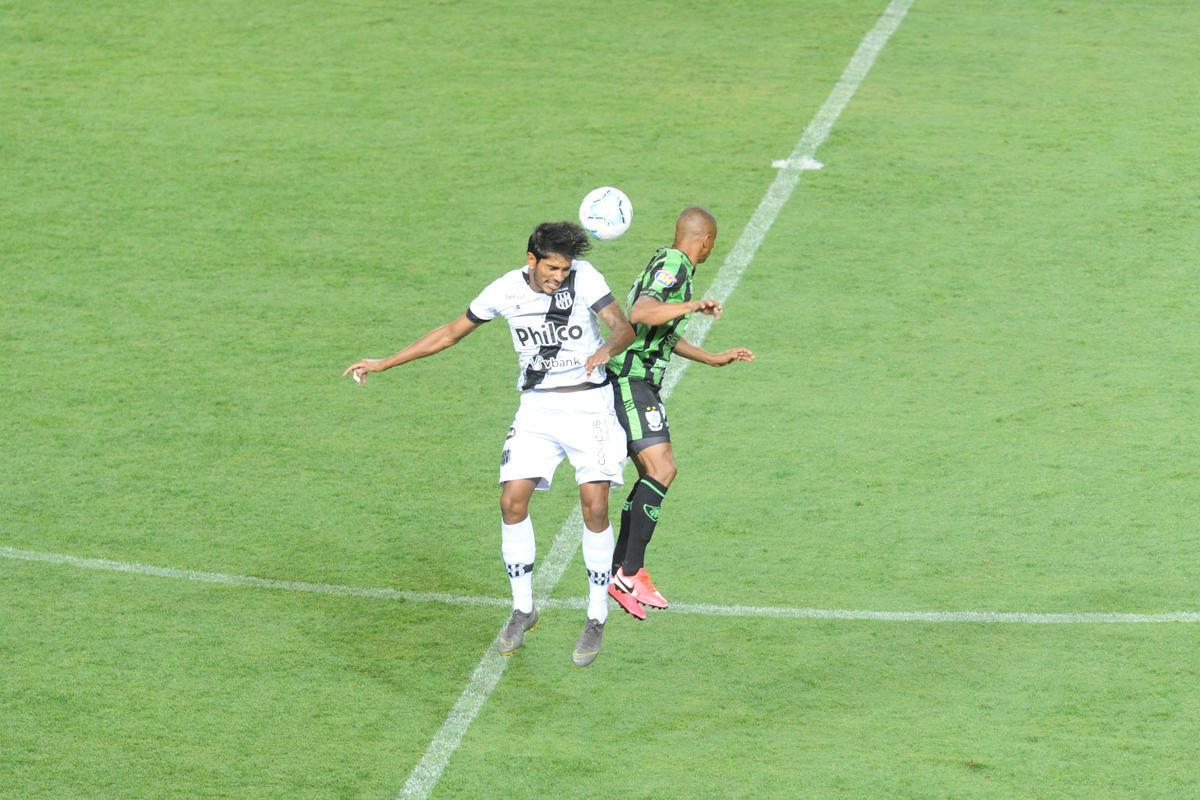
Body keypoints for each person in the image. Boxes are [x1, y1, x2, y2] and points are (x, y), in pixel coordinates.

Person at [343, 221, 635, 666]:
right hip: (537, 409)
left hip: (590, 407)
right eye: (551, 268)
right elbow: (449, 333)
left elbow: (623, 328)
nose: (559, 277)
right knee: (511, 502)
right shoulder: (503, 291)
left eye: (565, 269)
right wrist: (384, 363)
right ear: (531, 260)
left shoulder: (586, 279)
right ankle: (522, 608)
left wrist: (605, 350)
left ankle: (596, 615)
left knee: (594, 506)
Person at [605, 207, 755, 619]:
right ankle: (629, 572)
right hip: (630, 381)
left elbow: (659, 329)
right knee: (663, 468)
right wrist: (691, 306)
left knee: (654, 472)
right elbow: (641, 314)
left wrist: (709, 357)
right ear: (704, 241)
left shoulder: (665, 262)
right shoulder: (674, 264)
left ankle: (620, 570)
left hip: (637, 382)